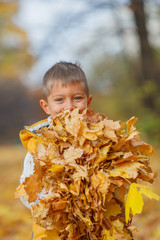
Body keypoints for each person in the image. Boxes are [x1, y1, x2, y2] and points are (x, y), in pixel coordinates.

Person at [19, 61, 92, 239]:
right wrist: (56, 198)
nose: (69, 106)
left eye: (77, 98)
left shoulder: (99, 139)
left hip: (91, 227)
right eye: (59, 100)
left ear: (88, 101)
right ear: (46, 106)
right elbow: (27, 192)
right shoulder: (38, 145)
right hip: (52, 230)